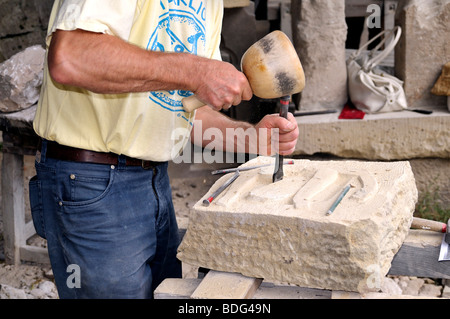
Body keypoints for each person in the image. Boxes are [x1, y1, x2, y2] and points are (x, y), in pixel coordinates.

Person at [30, 0, 299, 299]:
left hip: (153, 179)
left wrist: (252, 139)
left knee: (162, 293)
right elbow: (70, 58)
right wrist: (194, 71)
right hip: (89, 183)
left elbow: (182, 110)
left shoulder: (210, 6)